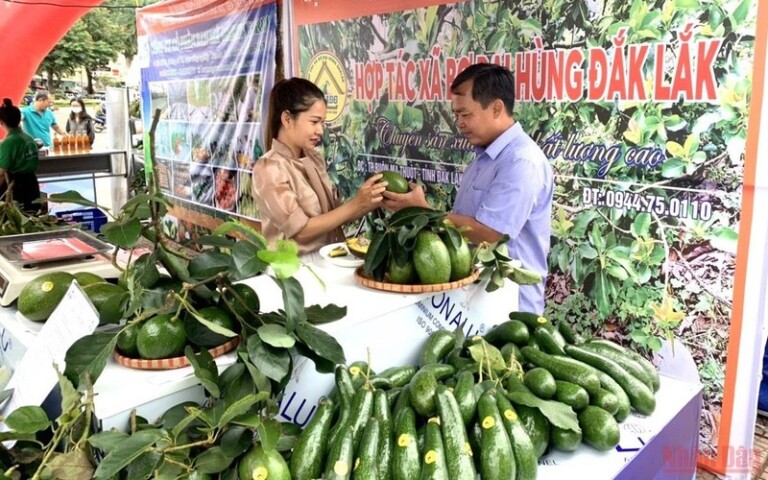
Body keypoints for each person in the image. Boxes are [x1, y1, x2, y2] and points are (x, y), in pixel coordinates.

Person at [382, 63, 554, 314]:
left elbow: (490, 234)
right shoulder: (486, 155)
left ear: (496, 108)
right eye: (456, 115)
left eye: (466, 114)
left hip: (509, 309)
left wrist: (424, 212)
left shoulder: (521, 161)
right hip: (476, 300)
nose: (459, 123)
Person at [252, 77, 387, 256]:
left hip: (328, 265)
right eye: (314, 122)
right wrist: (356, 204)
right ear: (287, 119)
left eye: (322, 123)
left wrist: (370, 200)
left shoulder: (313, 159)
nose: (320, 130)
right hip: (294, 274)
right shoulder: (269, 169)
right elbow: (301, 231)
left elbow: (335, 216)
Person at [0, 98, 42, 212]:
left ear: (2, 122)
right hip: (31, 183)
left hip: (15, 188)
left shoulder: (8, 142)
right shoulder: (29, 138)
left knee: (16, 222)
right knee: (32, 217)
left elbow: (1, 173)